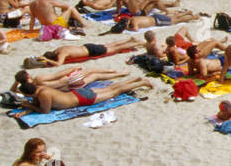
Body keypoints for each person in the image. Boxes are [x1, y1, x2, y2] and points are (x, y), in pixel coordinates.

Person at [17, 75, 152, 114]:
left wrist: (29, 105)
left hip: (81, 99)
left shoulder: (43, 95)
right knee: (111, 88)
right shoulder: (40, 88)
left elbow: (45, 111)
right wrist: (28, 107)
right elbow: (36, 103)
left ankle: (142, 83)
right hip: (78, 93)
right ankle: (134, 80)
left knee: (114, 91)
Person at [29, 37, 142, 68]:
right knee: (111, 45)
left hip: (91, 51)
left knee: (117, 48)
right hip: (87, 46)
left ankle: (136, 43)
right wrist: (43, 57)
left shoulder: (61, 54)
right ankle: (130, 40)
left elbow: (58, 64)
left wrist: (47, 60)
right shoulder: (59, 49)